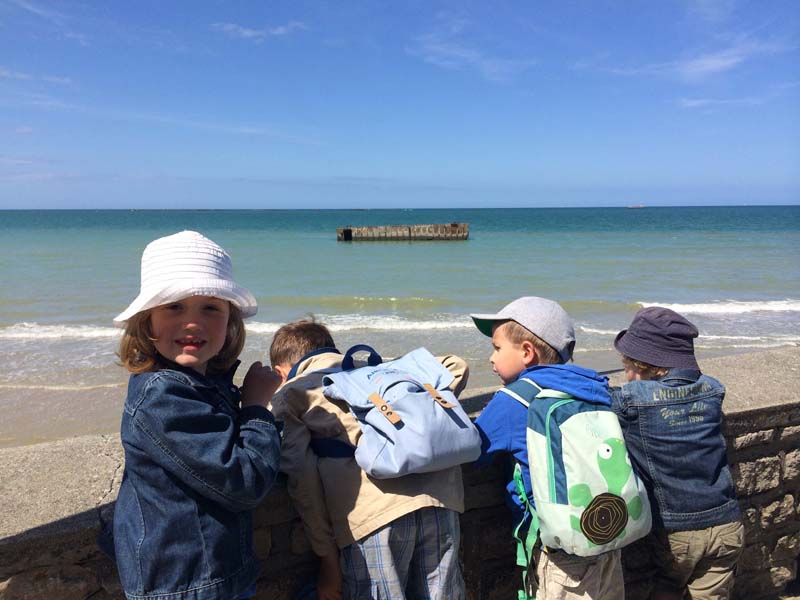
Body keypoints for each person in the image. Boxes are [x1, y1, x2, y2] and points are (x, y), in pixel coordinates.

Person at [112, 230, 282, 600]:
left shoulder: (200, 382)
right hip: (187, 585)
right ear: (147, 322)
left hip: (208, 575)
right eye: (174, 307)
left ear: (229, 322)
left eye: (211, 308)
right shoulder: (163, 394)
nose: (193, 322)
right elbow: (244, 481)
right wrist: (256, 408)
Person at [268, 319, 470, 600]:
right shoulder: (380, 373)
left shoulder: (292, 393)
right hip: (441, 499)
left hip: (374, 516)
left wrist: (327, 558)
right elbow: (456, 365)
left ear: (281, 372)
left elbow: (303, 482)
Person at [470, 296, 624, 600]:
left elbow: (472, 452)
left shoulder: (514, 400)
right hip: (606, 538)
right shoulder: (592, 387)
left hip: (559, 554)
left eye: (497, 348)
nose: (491, 358)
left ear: (527, 352)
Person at [611, 307, 743, 600]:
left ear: (641, 364)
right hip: (726, 523)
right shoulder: (712, 390)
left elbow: (596, 399)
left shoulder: (632, 401)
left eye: (627, 367)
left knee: (667, 589)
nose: (626, 375)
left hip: (676, 533)